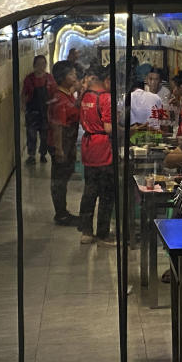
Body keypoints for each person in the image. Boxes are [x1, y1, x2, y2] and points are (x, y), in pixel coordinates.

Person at [77, 65, 115, 245]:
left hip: (88, 146)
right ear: (106, 80)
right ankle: (102, 234)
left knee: (89, 190)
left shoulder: (86, 96)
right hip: (103, 149)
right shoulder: (106, 98)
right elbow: (108, 128)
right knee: (107, 192)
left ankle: (86, 231)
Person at [47, 60, 80, 226]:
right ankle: (61, 214)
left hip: (68, 142)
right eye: (71, 74)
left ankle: (63, 212)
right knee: (59, 181)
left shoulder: (66, 93)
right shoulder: (59, 98)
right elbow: (57, 126)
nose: (74, 77)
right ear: (62, 77)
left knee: (63, 178)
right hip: (61, 143)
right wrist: (59, 150)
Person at [21, 55, 56, 165]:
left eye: (43, 64)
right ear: (34, 65)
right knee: (31, 134)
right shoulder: (29, 79)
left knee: (44, 134)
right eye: (38, 64)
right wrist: (23, 107)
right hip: (32, 111)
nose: (41, 66)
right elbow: (24, 94)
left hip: (46, 112)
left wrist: (52, 105)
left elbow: (55, 95)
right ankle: (31, 155)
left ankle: (42, 154)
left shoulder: (50, 79)